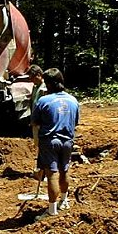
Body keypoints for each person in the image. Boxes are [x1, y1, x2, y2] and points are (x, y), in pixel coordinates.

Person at [31, 68, 79, 219]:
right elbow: (75, 122)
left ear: (49, 84)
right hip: (67, 141)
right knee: (65, 170)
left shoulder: (43, 101)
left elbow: (35, 123)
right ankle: (64, 201)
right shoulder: (73, 100)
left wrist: (37, 142)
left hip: (50, 141)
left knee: (52, 174)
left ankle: (52, 210)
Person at [27, 65, 47, 148]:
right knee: (37, 143)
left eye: (32, 78)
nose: (31, 81)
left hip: (42, 122)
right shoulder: (35, 88)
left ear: (38, 75)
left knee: (43, 144)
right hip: (36, 120)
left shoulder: (45, 87)